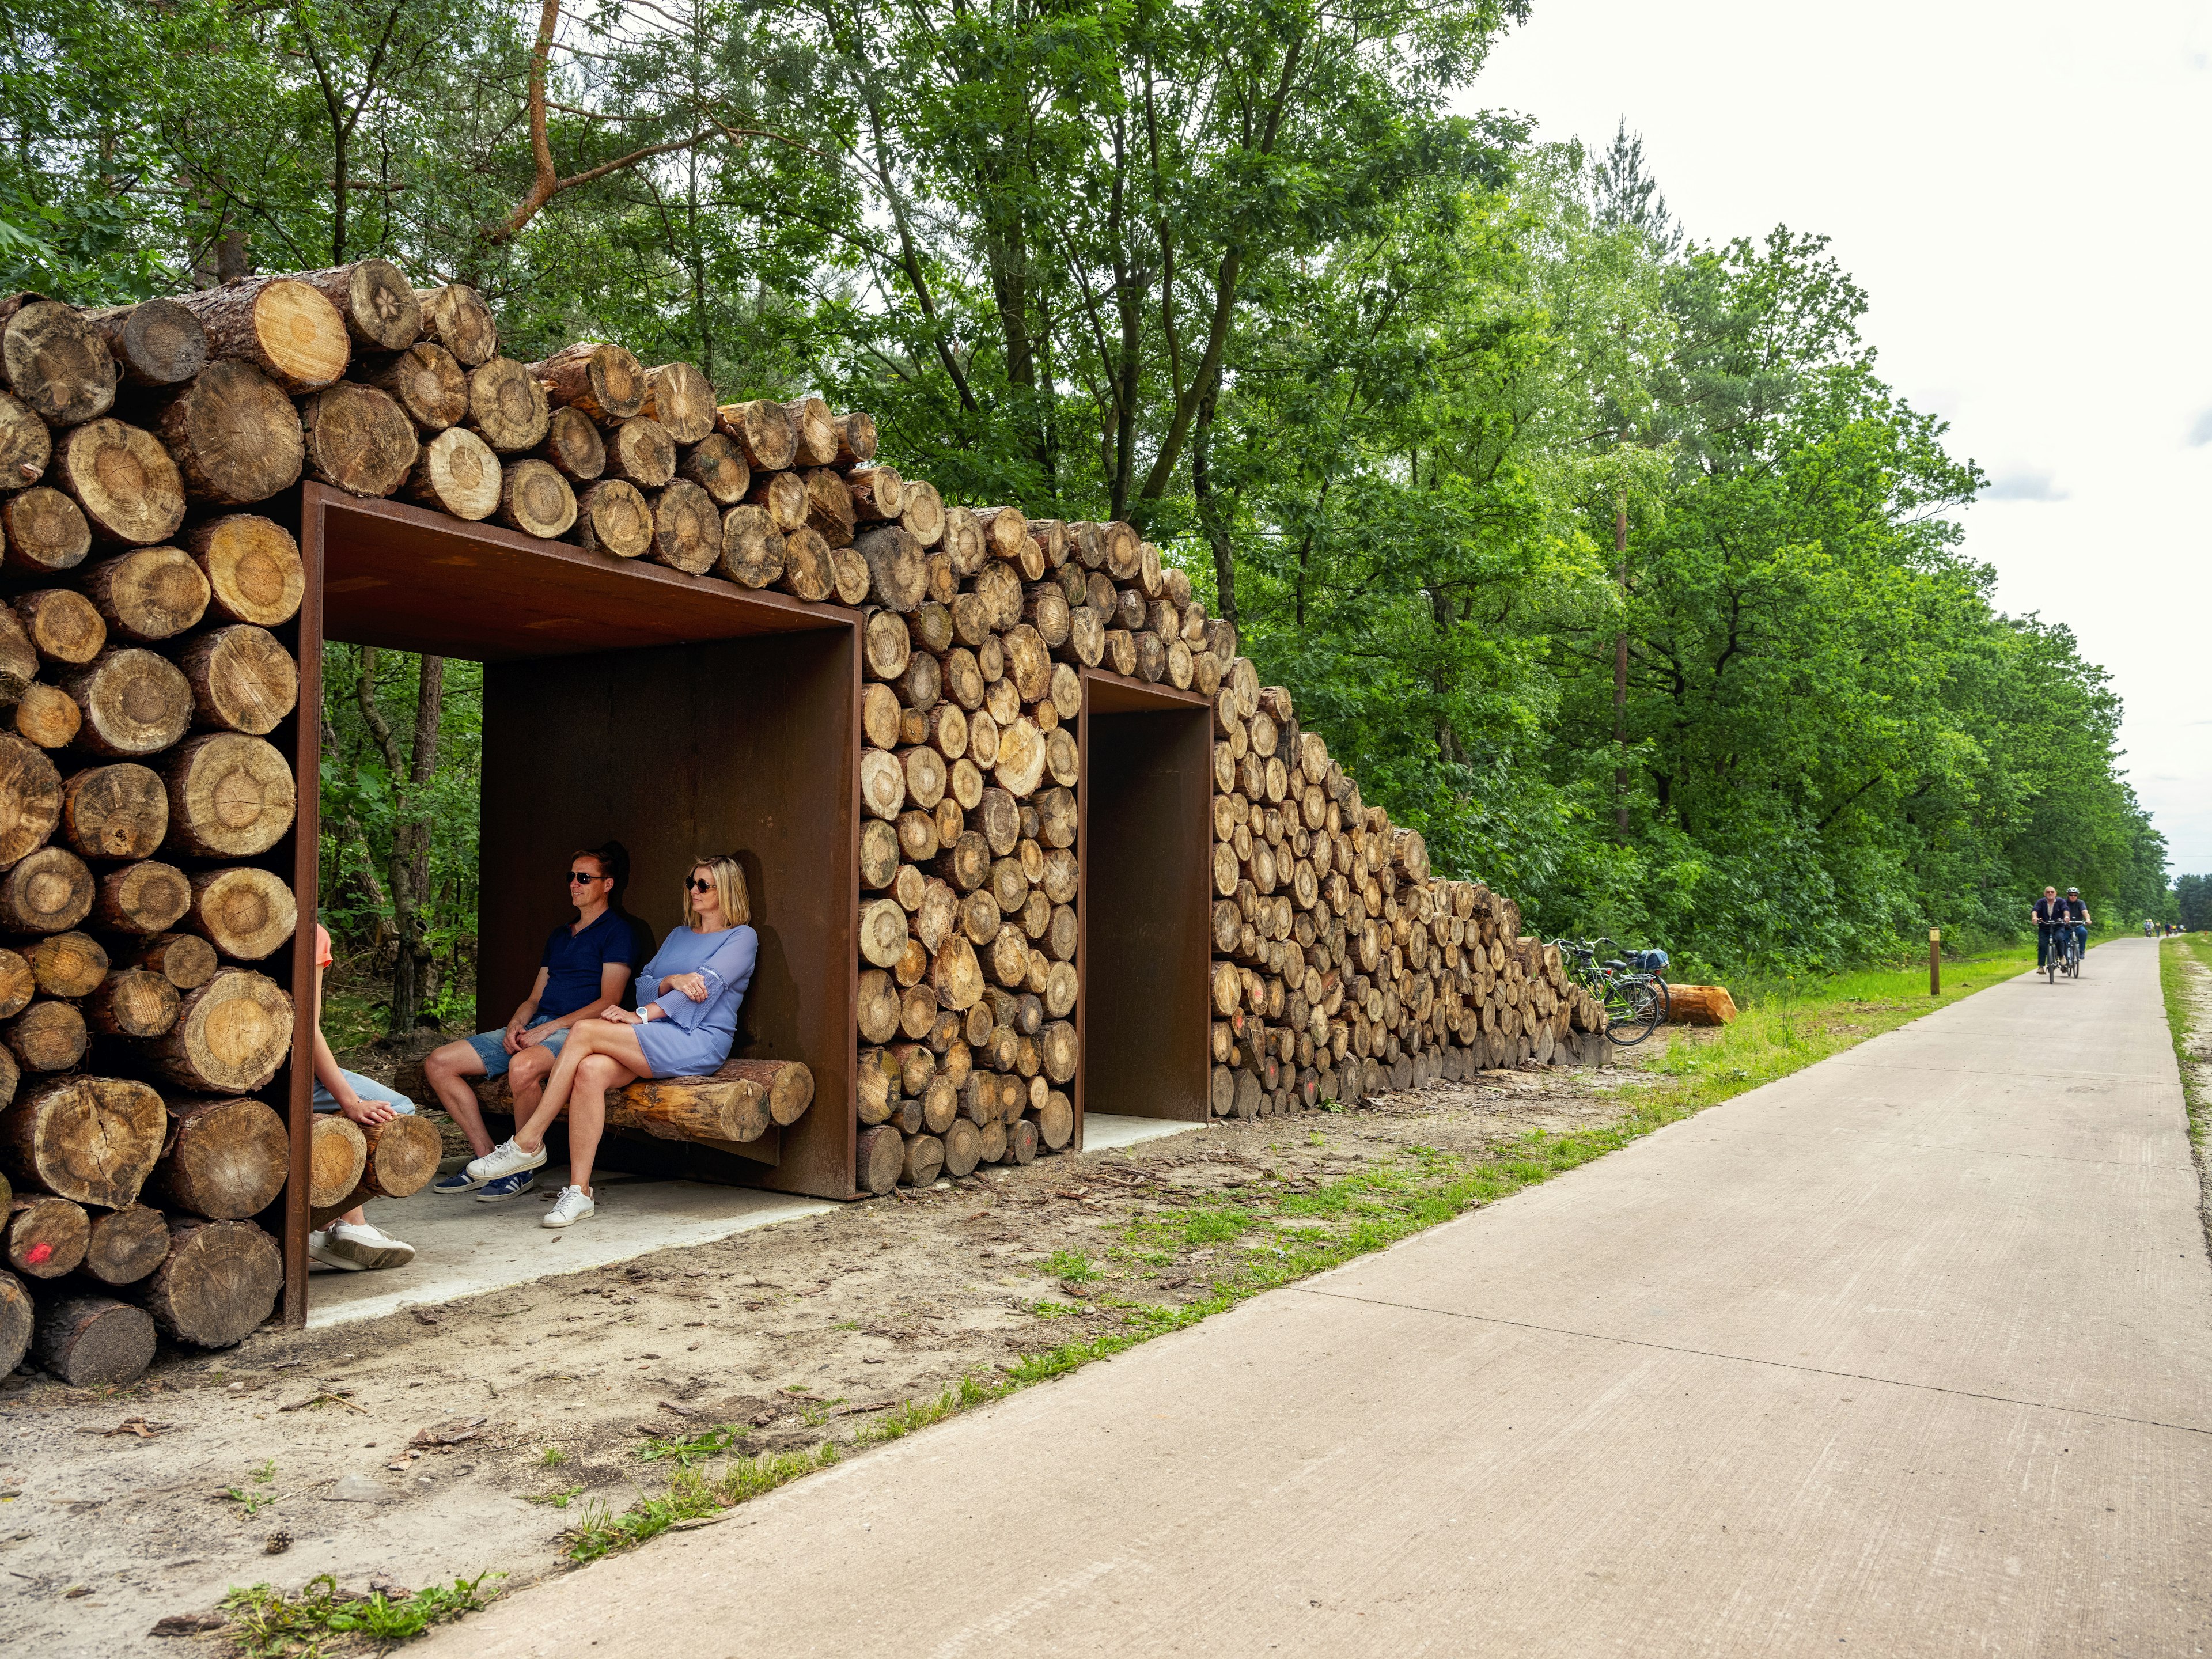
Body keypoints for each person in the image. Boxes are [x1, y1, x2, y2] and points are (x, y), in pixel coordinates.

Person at [463, 856, 757, 1229]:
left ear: (726, 891)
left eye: (704, 885)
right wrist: (671, 981)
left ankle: (528, 1142)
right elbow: (645, 982)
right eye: (691, 883)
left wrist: (644, 1015)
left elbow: (705, 989)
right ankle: (580, 1192)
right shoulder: (680, 935)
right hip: (661, 1034)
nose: (694, 891)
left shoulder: (742, 937)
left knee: (585, 1031)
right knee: (589, 1070)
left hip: (700, 1040)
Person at [419, 845, 638, 1202]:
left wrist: (549, 1029)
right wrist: (516, 1024)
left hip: (575, 1032)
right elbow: (535, 997)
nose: (574, 884)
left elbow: (608, 1001)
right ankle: (488, 1157)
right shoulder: (559, 935)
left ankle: (521, 1169)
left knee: (522, 1068)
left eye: (584, 878)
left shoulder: (618, 932)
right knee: (439, 1063)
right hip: (539, 1024)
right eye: (571, 877)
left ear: (608, 884)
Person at [307, 924, 419, 1271]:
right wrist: (351, 1102)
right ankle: (342, 1224)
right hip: (290, 1074)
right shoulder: (312, 933)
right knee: (399, 1110)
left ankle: (333, 1227)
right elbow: (307, 1028)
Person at [2031, 885, 2066, 970]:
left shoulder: (2061, 901)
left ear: (2056, 893)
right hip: (2045, 926)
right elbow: (2035, 910)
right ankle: (2041, 966)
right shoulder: (2041, 902)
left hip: (2058, 926)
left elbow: (2066, 910)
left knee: (2059, 938)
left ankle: (2062, 957)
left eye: (2052, 892)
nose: (2050, 893)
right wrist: (2034, 917)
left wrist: (2066, 917)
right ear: (2045, 894)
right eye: (2048, 892)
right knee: (2042, 945)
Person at [2061, 887, 2090, 966]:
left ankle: (2081, 951)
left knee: (2083, 932)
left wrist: (2088, 919)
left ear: (2077, 896)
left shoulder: (2080, 903)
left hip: (2078, 925)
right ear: (2068, 895)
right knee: (2062, 939)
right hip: (2067, 926)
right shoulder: (2064, 902)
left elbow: (2085, 912)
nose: (2073, 896)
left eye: (2075, 895)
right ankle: (2064, 957)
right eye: (2071, 895)